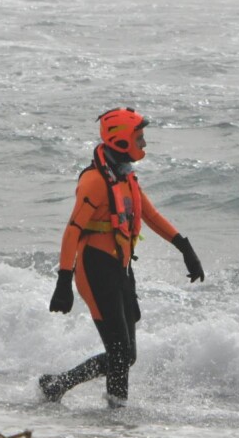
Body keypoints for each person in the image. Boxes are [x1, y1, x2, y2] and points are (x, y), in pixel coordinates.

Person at [41, 107, 204, 407]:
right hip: (95, 268)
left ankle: (58, 385)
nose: (144, 144)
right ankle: (116, 415)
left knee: (126, 355)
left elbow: (152, 217)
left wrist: (186, 249)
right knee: (118, 351)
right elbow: (72, 231)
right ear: (119, 141)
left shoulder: (124, 177)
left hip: (121, 269)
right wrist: (63, 282)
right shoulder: (94, 182)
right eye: (139, 138)